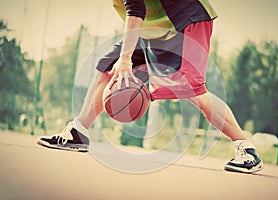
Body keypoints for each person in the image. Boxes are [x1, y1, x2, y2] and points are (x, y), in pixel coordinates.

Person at [37, 0, 263, 173]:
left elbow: (136, 11)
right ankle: (78, 132)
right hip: (154, 29)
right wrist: (124, 58)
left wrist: (126, 58)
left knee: (191, 88)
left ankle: (246, 149)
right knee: (107, 65)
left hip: (187, 20)